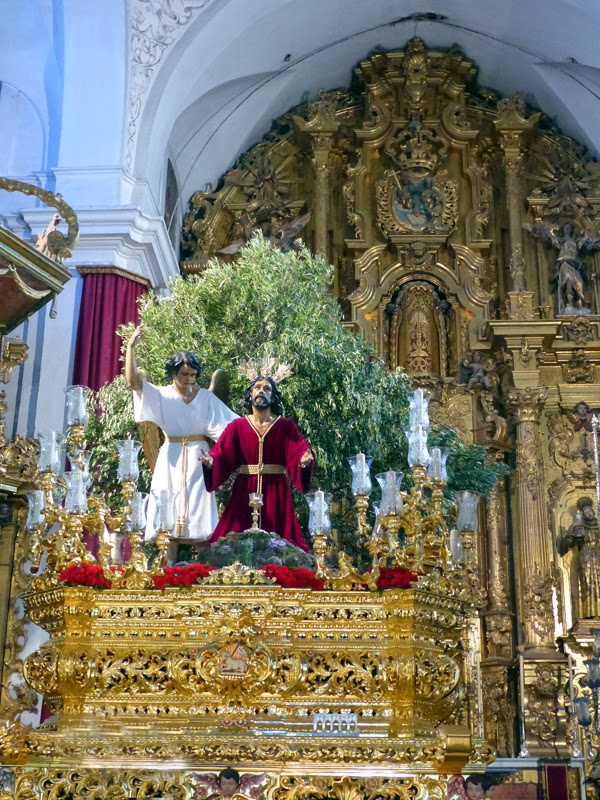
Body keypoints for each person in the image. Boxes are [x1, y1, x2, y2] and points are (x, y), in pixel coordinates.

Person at [125, 325, 237, 540]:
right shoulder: (161, 395)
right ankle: (165, 569)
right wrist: (131, 347)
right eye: (184, 374)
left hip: (199, 459)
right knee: (166, 520)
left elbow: (234, 427)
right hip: (170, 458)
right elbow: (133, 382)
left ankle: (204, 571)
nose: (189, 380)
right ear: (173, 373)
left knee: (202, 520)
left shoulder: (206, 397)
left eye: (193, 375)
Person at [201, 374, 314, 551]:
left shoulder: (285, 426)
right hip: (245, 489)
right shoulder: (237, 426)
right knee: (231, 543)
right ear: (250, 394)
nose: (261, 391)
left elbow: (298, 450)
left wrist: (304, 460)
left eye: (267, 388)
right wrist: (211, 461)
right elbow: (222, 453)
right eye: (257, 388)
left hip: (276, 490)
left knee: (282, 544)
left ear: (273, 396)